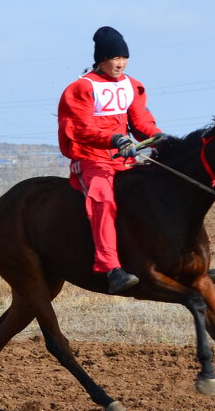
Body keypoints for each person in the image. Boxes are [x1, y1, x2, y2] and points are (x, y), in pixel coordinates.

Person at [57, 26, 162, 294]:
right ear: (101, 59)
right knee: (103, 199)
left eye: (124, 58)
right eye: (115, 57)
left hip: (123, 160)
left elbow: (140, 121)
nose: (120, 63)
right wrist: (114, 140)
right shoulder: (81, 88)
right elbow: (79, 129)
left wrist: (157, 135)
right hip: (91, 159)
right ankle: (111, 269)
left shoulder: (132, 85)